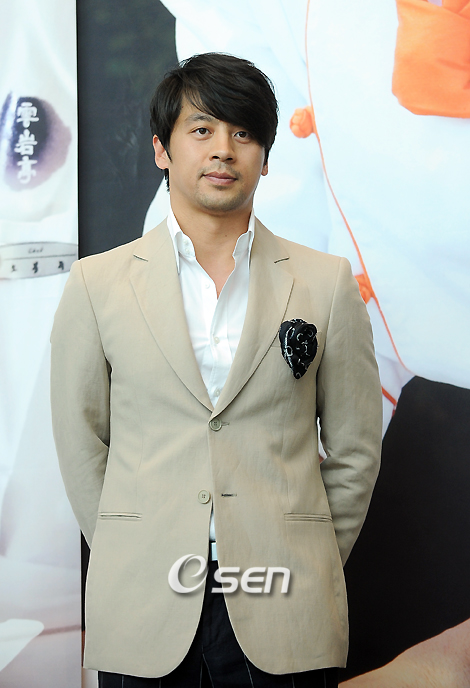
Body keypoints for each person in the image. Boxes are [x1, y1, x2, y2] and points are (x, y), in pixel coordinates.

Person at [50, 53, 382, 688]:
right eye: (201, 129)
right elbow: (81, 442)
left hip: (285, 601)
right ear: (162, 149)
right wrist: (130, 547)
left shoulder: (326, 282)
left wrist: (305, 553)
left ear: (265, 157)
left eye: (243, 133)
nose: (223, 149)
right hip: (143, 601)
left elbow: (355, 451)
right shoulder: (97, 283)